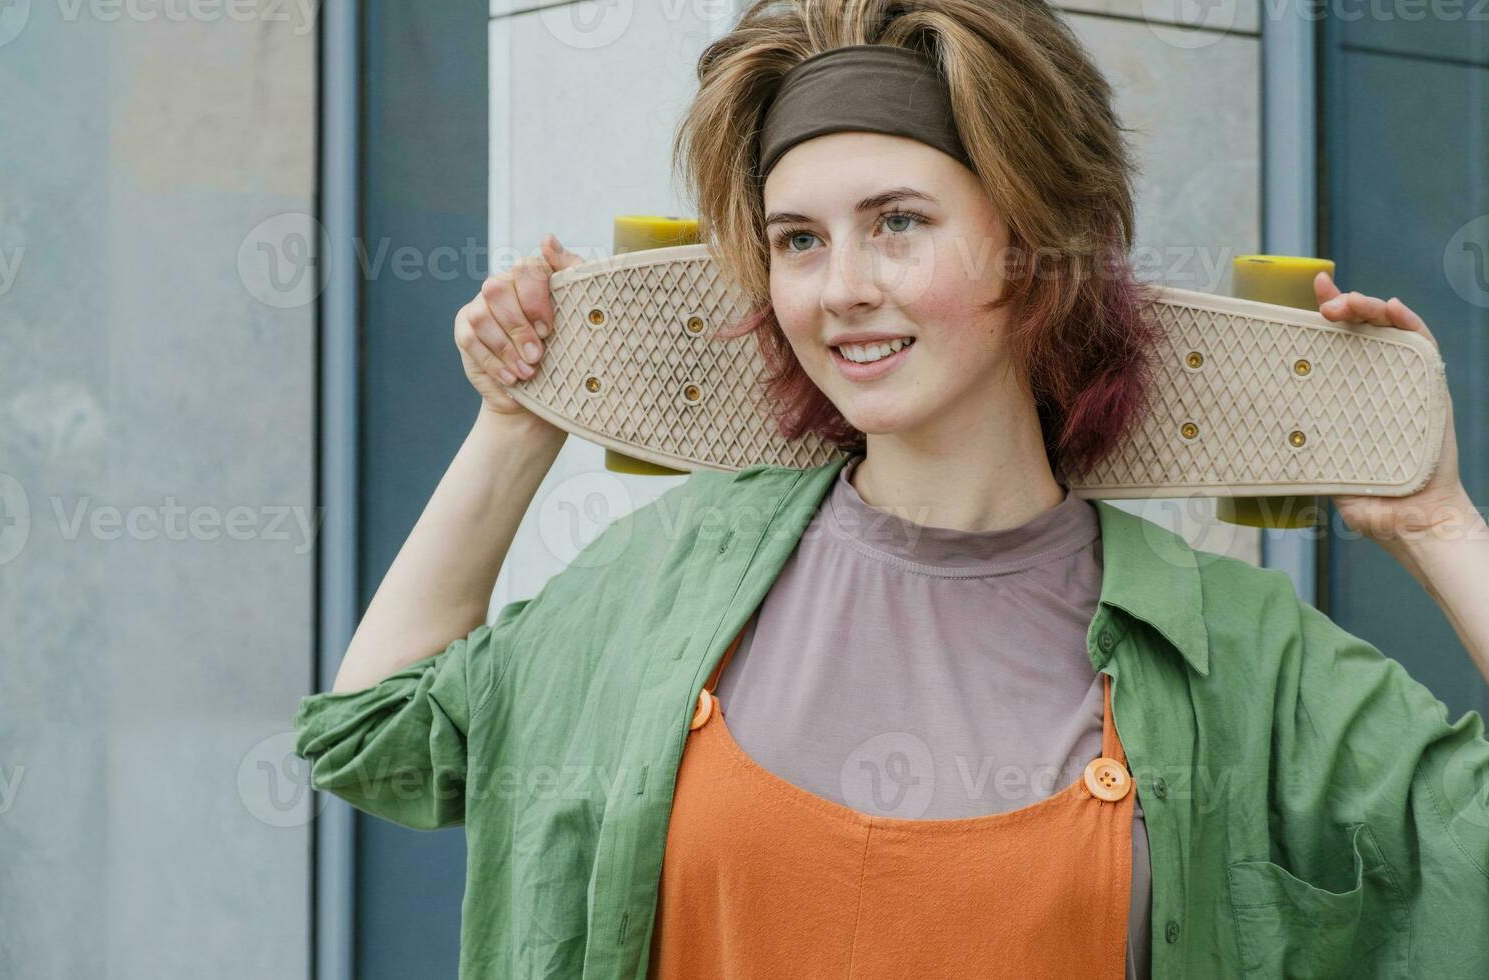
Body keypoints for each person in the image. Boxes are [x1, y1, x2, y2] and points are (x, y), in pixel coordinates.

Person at [293, 1, 1489, 976]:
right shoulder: (679, 573)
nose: (840, 287)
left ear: (1036, 245)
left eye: (898, 223)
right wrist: (517, 421)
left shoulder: (1231, 652)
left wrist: (1438, 525)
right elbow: (377, 736)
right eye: (798, 240)